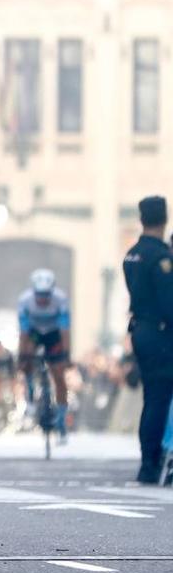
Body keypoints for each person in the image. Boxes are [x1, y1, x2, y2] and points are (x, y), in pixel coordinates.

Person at [122, 195, 173, 484]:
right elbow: (169, 303)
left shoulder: (131, 254)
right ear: (164, 219)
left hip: (140, 331)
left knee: (151, 398)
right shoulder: (162, 258)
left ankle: (148, 461)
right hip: (162, 333)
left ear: (141, 219)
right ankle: (154, 461)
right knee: (160, 400)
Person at [16, 268, 72, 442]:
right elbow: (23, 333)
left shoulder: (61, 299)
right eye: (39, 295)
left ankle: (61, 420)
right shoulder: (25, 301)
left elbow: (65, 331)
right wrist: (22, 357)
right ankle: (30, 390)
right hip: (34, 333)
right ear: (34, 291)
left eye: (46, 295)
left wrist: (66, 354)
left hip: (54, 335)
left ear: (52, 291)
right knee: (27, 357)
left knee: (59, 376)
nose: (42, 299)